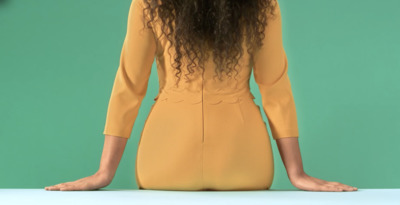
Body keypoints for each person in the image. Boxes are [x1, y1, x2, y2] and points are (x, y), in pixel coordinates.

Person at [45, 0, 357, 192]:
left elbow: (129, 86)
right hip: (244, 163)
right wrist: (296, 173)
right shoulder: (262, 5)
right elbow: (275, 87)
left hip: (164, 161)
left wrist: (105, 172)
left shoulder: (149, 3)